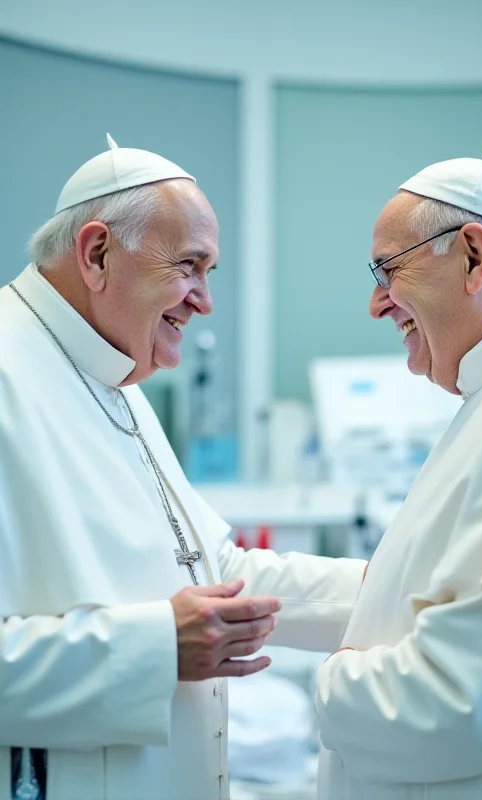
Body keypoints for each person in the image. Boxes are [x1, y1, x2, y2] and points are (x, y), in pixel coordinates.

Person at [0, 135, 366, 800]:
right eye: (189, 265)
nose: (204, 300)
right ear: (97, 253)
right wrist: (155, 648)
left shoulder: (114, 376)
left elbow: (217, 573)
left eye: (209, 271)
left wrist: (395, 585)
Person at [314, 145, 482, 800]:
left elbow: (465, 704)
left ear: (473, 256)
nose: (377, 305)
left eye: (388, 270)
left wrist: (333, 687)